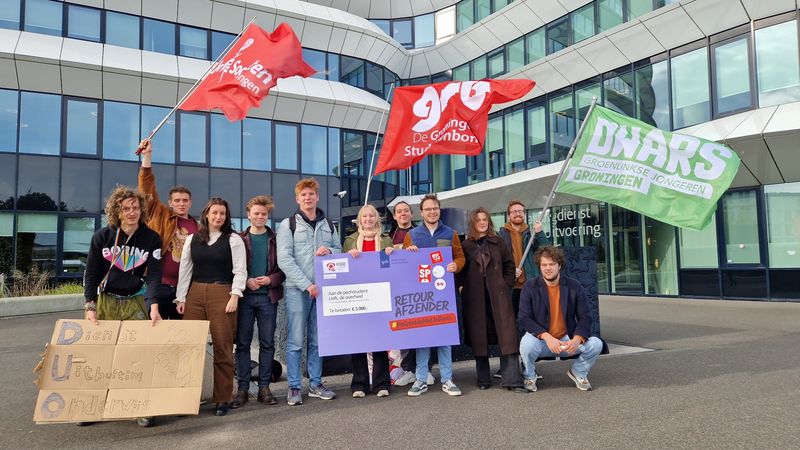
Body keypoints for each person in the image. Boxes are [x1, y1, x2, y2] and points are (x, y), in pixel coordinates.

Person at [82, 186, 163, 427]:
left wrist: (154, 303)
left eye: (135, 208)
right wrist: (90, 305)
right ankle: (91, 407)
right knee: (100, 355)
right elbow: (92, 272)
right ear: (117, 210)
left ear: (142, 210)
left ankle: (140, 406)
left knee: (137, 355)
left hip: (134, 300)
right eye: (126, 208)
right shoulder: (102, 236)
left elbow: (155, 275)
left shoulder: (151, 238)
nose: (131, 212)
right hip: (106, 299)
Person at [175, 198, 247, 416]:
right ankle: (187, 399)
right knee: (189, 348)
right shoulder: (192, 239)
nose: (218, 217)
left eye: (222, 213)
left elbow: (240, 270)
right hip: (195, 293)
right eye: (214, 212)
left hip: (222, 293)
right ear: (206, 214)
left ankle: (222, 398)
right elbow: (185, 269)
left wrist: (235, 296)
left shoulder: (233, 239)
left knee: (222, 347)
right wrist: (181, 298)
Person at [277, 178, 342, 406]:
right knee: (295, 341)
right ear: (297, 199)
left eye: (311, 194)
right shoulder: (288, 224)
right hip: (298, 290)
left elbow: (339, 249)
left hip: (323, 291)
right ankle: (294, 387)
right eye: (303, 195)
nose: (307, 198)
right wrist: (307, 284)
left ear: (317, 197)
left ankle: (316, 383)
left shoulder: (328, 224)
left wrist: (331, 251)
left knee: (317, 341)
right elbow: (284, 259)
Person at [403, 193, 465, 397]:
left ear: (439, 210)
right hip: (421, 296)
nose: (432, 212)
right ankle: (421, 379)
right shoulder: (412, 235)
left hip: (444, 294)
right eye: (428, 209)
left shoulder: (451, 233)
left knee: (444, 336)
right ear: (421, 212)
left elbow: (460, 257)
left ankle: (447, 379)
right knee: (423, 337)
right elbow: (403, 263)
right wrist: (408, 253)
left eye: (435, 208)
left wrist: (456, 265)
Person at [459, 208, 527, 393]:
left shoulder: (499, 242)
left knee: (507, 336)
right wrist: (462, 288)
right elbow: (460, 271)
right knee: (479, 337)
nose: (482, 222)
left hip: (499, 296)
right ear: (473, 223)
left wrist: (505, 284)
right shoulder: (466, 246)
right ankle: (483, 378)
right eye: (479, 220)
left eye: (485, 219)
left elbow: (509, 265)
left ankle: (512, 379)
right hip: (475, 299)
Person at [518, 246, 603, 392]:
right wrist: (546, 337)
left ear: (560, 265)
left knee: (596, 344)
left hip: (567, 341)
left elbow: (585, 317)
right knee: (526, 345)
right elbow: (524, 318)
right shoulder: (530, 286)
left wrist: (577, 338)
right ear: (539, 266)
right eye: (544, 265)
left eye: (551, 264)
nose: (548, 268)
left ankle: (579, 372)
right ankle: (529, 376)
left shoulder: (574, 286)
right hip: (542, 341)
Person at [230, 196, 285, 409]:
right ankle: (242, 389)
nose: (260, 217)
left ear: (267, 216)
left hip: (268, 299)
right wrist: (246, 281)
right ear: (249, 215)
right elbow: (232, 268)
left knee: (267, 343)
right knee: (242, 344)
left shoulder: (276, 239)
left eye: (264, 214)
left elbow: (283, 269)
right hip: (244, 299)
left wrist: (271, 279)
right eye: (256, 213)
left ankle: (264, 388)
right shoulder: (239, 240)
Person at [137, 140, 197, 322]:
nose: (181, 203)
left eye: (185, 200)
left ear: (190, 203)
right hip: (159, 285)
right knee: (154, 333)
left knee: (179, 337)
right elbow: (146, 188)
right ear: (170, 202)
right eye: (177, 200)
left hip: (184, 290)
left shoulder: (198, 227)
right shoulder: (160, 214)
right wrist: (147, 157)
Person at [343, 205, 394, 398]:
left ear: (377, 219)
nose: (368, 218)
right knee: (359, 340)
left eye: (371, 215)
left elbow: (393, 266)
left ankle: (381, 383)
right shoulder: (350, 240)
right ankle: (360, 384)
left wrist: (392, 253)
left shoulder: (386, 239)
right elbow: (343, 268)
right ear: (359, 219)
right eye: (364, 216)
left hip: (380, 294)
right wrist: (348, 256)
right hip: (358, 294)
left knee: (380, 339)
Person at [388, 201, 431, 387]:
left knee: (422, 330)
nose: (403, 214)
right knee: (403, 332)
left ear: (411, 214)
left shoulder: (419, 233)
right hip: (396, 288)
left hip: (418, 288)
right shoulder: (389, 236)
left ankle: (426, 369)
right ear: (394, 216)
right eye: (399, 211)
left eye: (406, 211)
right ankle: (408, 370)